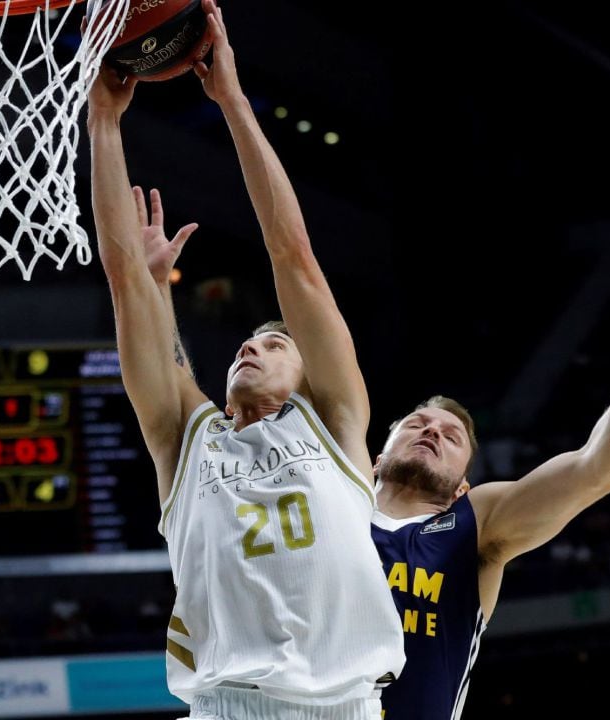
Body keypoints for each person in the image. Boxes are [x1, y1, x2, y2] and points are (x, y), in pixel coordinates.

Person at [85, 0, 405, 717]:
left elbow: (294, 256)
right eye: (249, 341)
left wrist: (231, 100)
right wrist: (103, 124)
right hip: (229, 706)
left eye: (277, 342)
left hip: (348, 706)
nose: (254, 344)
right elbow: (125, 277)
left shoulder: (336, 423)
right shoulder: (185, 439)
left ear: (308, 377)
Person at [371, 242, 610, 719]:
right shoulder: (331, 507)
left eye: (452, 437)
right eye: (416, 423)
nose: (431, 429)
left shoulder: (473, 525)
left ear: (461, 488)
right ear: (375, 458)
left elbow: (594, 470)